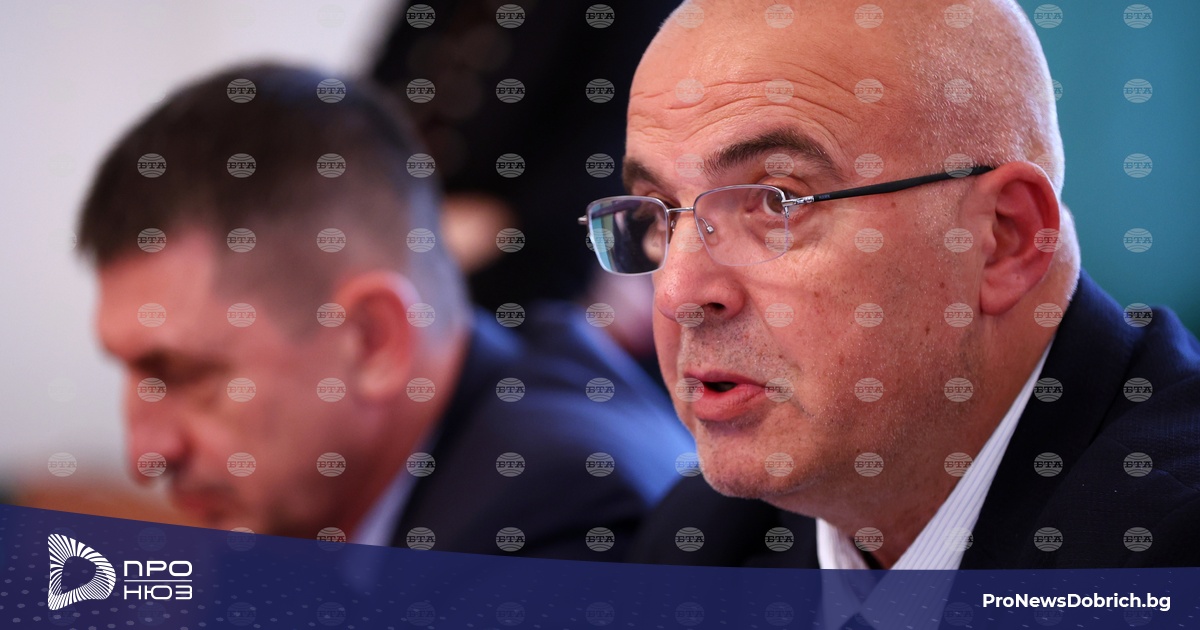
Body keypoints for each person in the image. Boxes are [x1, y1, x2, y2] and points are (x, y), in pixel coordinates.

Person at [576, 0, 1200, 572]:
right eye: (657, 211)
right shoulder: (705, 541)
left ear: (1003, 238)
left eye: (776, 203)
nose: (677, 295)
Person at [78, 63, 692, 559]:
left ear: (372, 339)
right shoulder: (295, 511)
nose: (146, 454)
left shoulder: (550, 520)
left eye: (186, 376)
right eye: (131, 374)